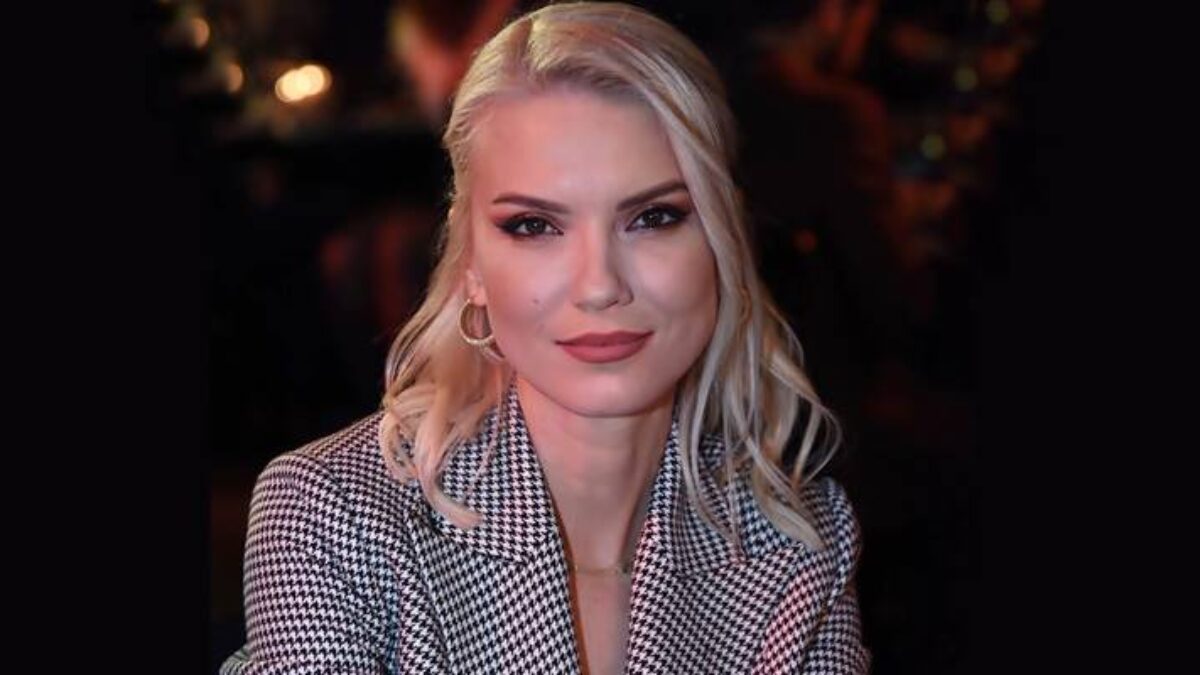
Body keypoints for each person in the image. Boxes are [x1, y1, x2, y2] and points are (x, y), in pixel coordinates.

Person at [220, 2, 870, 673]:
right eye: (534, 225)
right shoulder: (337, 517)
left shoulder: (802, 541)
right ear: (471, 265)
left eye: (653, 217)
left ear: (722, 242)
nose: (599, 285)